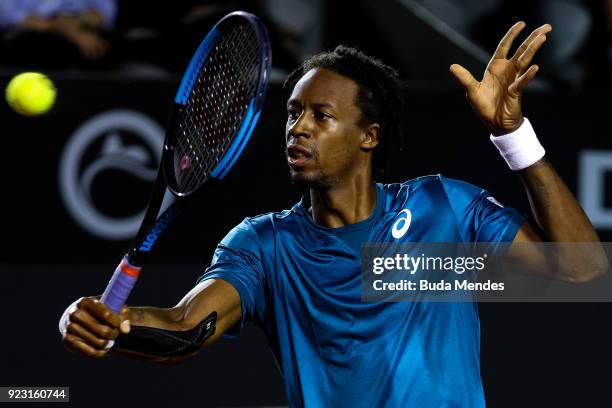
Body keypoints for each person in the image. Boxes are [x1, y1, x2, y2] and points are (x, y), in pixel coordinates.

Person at [59, 22, 607, 407]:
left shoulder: (443, 209)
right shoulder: (264, 245)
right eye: (293, 113)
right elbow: (186, 328)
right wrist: (115, 325)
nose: (297, 129)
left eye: (321, 116)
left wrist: (512, 136)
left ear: (369, 135)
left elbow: (581, 271)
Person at [0, 0, 116, 68]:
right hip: (27, 37)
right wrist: (61, 27)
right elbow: (7, 16)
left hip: (85, 31)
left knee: (107, 47)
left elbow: (105, 10)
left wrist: (82, 21)